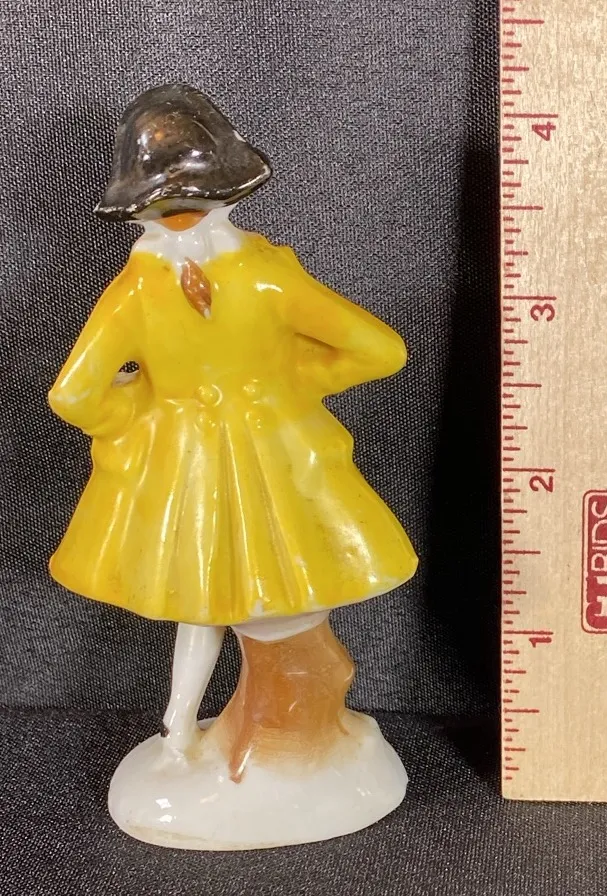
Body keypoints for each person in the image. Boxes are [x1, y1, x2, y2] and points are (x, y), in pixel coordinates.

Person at [49, 83, 418, 848]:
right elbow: (377, 350)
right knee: (254, 589)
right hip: (271, 458)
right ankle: (200, 731)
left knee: (209, 595)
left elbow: (76, 396)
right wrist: (287, 383)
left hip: (186, 468)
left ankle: (194, 729)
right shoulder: (265, 275)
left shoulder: (134, 293)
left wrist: (144, 412)